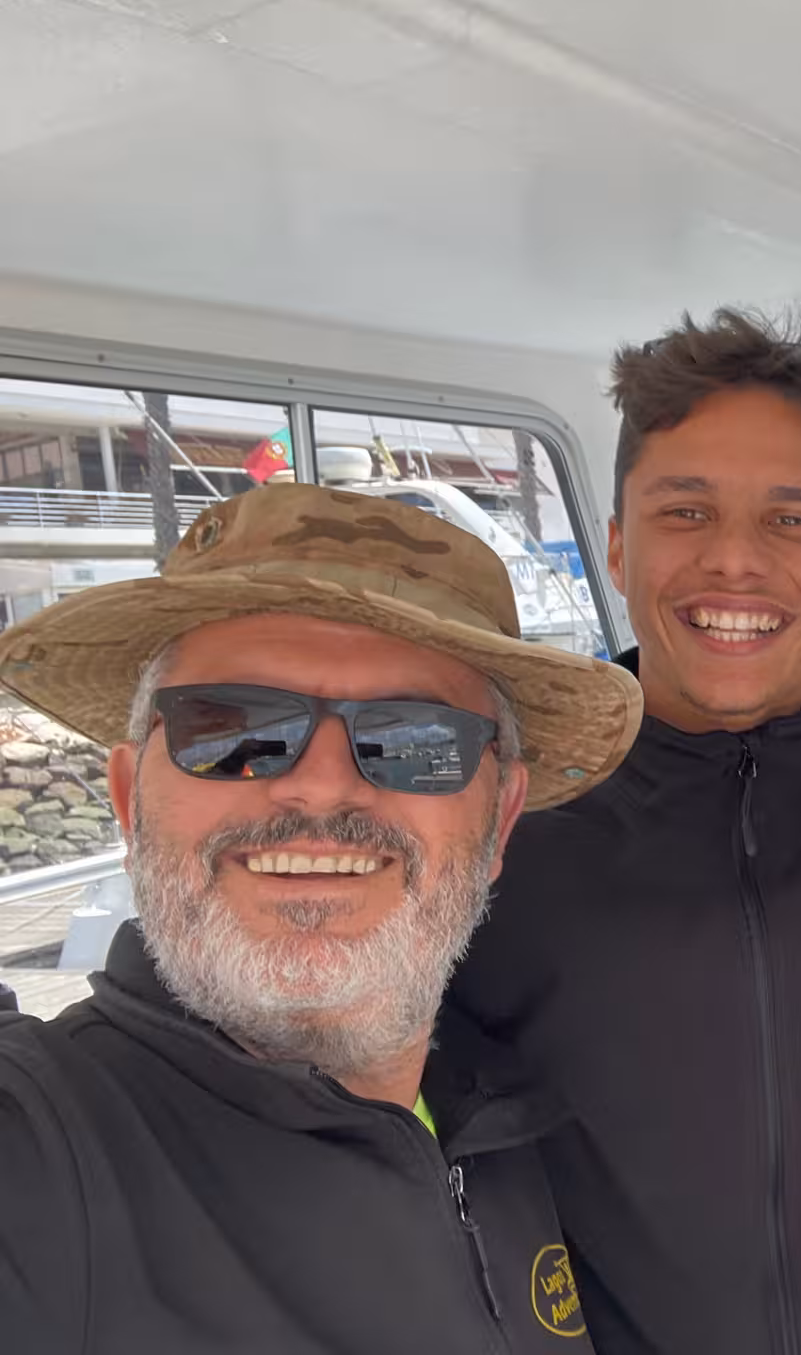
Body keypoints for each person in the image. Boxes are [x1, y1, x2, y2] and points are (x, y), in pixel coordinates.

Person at [0, 483, 645, 1353]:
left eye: (417, 741)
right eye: (231, 730)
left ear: (497, 822)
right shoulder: (42, 1151)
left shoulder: (507, 1121)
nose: (322, 784)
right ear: (127, 799)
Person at [449, 306, 801, 1355]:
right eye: (685, 513)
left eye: (791, 520)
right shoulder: (488, 845)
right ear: (619, 548)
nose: (734, 562)